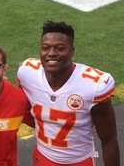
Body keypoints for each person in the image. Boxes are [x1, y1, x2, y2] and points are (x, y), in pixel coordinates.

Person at [17, 21, 120, 166]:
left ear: (72, 51)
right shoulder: (27, 73)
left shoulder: (94, 86)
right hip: (42, 157)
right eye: (45, 48)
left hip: (79, 161)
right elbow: (22, 107)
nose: (51, 53)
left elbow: (109, 140)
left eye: (60, 48)